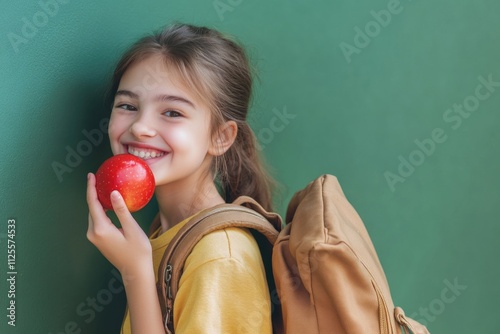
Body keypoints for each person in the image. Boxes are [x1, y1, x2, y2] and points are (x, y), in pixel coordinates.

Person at [85, 23, 276, 333]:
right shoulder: (164, 231)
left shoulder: (221, 256)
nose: (140, 127)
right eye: (128, 106)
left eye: (172, 112)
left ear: (220, 137)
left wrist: (135, 272)